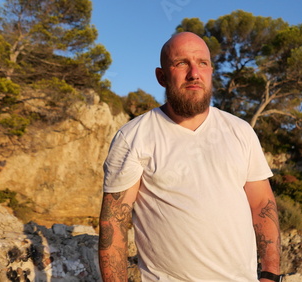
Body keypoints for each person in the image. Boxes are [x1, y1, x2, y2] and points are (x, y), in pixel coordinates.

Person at [99, 32, 281, 282]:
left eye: (202, 63)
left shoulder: (240, 131)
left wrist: (271, 275)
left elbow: (262, 205)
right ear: (162, 77)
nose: (194, 73)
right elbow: (114, 225)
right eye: (181, 63)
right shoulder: (134, 137)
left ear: (211, 72)